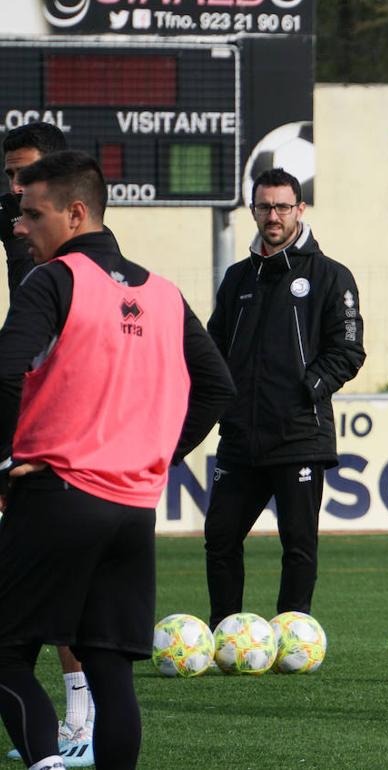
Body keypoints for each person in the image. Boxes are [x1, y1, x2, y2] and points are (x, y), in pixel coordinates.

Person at [0, 151, 234, 769]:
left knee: (6, 652)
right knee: (108, 666)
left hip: (57, 495)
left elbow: (6, 372)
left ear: (76, 213)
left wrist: (4, 461)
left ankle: (45, 764)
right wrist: (154, 457)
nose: (19, 226)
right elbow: (218, 389)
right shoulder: (164, 293)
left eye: (31, 213)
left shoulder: (50, 281)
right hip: (131, 508)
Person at [204, 168, 365, 632]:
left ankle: (293, 635)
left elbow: (348, 351)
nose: (272, 216)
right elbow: (214, 352)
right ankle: (225, 633)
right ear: (253, 210)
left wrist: (304, 390)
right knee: (220, 537)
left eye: (281, 206)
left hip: (298, 435)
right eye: (263, 207)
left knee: (297, 543)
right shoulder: (237, 279)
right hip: (239, 438)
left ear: (300, 209)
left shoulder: (331, 276)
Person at [1, 122, 101, 767]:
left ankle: (79, 722)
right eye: (11, 179)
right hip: (26, 407)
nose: (17, 201)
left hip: (59, 423)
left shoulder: (80, 265)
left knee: (66, 591)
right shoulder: (22, 226)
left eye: (28, 181)